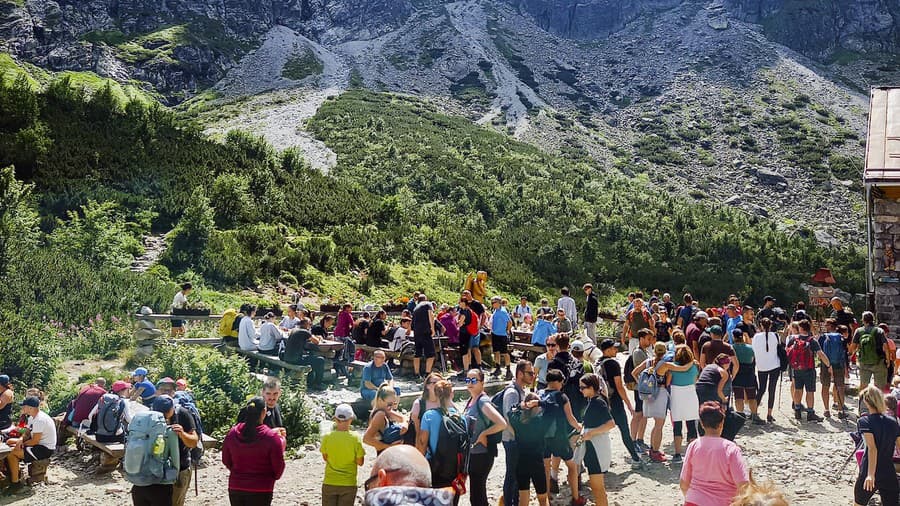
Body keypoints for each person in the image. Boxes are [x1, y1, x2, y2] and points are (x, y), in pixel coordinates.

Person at [680, 402, 749, 506]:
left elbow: (684, 483)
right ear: (722, 423)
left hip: (694, 501)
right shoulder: (731, 449)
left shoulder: (693, 446)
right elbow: (743, 485)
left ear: (702, 424)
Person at [222, 396, 286, 506]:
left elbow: (226, 460)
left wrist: (238, 471)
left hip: (236, 487)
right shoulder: (271, 438)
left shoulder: (232, 433)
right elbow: (278, 469)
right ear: (264, 412)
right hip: (261, 489)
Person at [596, 339, 643, 469]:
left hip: (601, 402)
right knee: (624, 430)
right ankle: (635, 458)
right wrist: (629, 405)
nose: (616, 350)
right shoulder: (613, 364)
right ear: (607, 349)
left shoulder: (597, 362)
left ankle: (601, 461)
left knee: (601, 433)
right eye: (614, 348)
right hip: (615, 401)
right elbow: (619, 387)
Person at [463, 368, 507, 506]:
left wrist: (484, 434)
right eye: (468, 380)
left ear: (482, 382)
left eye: (474, 380)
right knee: (476, 493)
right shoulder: (472, 399)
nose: (470, 383)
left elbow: (501, 423)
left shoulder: (482, 402)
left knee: (478, 494)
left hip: (482, 454)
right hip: (473, 453)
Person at [540, 369, 582, 502]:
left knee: (546, 470)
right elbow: (570, 418)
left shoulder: (539, 395)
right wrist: (579, 427)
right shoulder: (562, 396)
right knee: (572, 466)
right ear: (558, 382)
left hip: (542, 437)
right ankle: (576, 498)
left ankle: (547, 499)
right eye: (562, 382)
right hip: (559, 438)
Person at [854, 386, 900, 506]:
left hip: (869, 471)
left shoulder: (864, 422)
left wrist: (870, 475)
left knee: (859, 503)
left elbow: (872, 449)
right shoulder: (893, 422)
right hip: (888, 471)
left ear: (866, 401)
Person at [576, 373, 617, 506]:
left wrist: (591, 433)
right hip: (592, 447)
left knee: (598, 488)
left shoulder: (598, 402)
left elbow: (611, 424)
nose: (581, 390)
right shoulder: (593, 401)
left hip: (596, 448)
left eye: (583, 388)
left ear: (592, 387)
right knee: (597, 487)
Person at [151, 395, 199, 506]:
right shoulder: (151, 417)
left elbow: (194, 442)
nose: (163, 416)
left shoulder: (183, 414)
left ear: (173, 408)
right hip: (155, 469)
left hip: (180, 469)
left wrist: (182, 434)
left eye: (166, 413)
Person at [4, 396, 57, 494]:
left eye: (24, 406)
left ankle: (15, 483)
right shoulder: (33, 417)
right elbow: (27, 433)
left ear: (30, 408)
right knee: (9, 442)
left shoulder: (39, 420)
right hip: (37, 444)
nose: (22, 408)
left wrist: (21, 445)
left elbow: (34, 441)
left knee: (11, 453)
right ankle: (12, 471)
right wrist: (20, 440)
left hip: (44, 449)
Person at [632, 342, 675, 463]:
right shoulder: (666, 364)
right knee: (659, 425)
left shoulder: (648, 362)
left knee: (654, 423)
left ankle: (653, 448)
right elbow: (667, 382)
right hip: (660, 393)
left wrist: (642, 384)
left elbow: (634, 372)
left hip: (648, 394)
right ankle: (655, 450)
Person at [416, 380, 462, 491]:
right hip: (455, 468)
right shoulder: (460, 417)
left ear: (436, 394)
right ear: (452, 394)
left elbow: (422, 444)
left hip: (434, 466)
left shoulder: (429, 416)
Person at [501, 360, 535, 506]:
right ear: (520, 373)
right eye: (530, 373)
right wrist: (518, 437)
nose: (533, 376)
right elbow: (508, 419)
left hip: (515, 439)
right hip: (511, 440)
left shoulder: (520, 390)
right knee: (512, 476)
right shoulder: (512, 392)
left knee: (516, 475)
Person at [318, 403, 363, 506]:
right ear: (351, 419)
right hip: (349, 483)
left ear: (335, 419)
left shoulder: (327, 437)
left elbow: (325, 458)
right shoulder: (356, 438)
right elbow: (360, 462)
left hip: (329, 482)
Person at [509, 392, 548, 506]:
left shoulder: (517, 421)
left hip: (521, 462)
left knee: (523, 498)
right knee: (542, 498)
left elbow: (510, 411)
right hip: (537, 462)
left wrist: (521, 406)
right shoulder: (540, 421)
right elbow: (553, 408)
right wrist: (540, 403)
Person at [788, 319, 831, 422]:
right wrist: (828, 365)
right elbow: (820, 354)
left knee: (798, 389)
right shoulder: (812, 340)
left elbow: (788, 352)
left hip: (796, 369)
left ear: (801, 328)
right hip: (809, 369)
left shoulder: (793, 339)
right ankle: (810, 413)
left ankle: (797, 410)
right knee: (810, 391)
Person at [851, 311, 891, 392]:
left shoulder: (859, 331)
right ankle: (878, 403)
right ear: (873, 320)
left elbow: (853, 347)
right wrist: (888, 360)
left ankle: (862, 403)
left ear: (863, 320)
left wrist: (854, 356)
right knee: (880, 386)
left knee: (863, 385)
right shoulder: (879, 331)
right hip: (879, 362)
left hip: (864, 362)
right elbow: (886, 347)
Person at [751, 318, 781, 423]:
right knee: (771, 390)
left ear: (760, 325)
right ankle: (769, 414)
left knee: (761, 389)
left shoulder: (756, 337)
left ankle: (754, 412)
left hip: (761, 366)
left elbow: (753, 350)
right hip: (775, 365)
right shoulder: (776, 336)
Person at [364, 384, 409, 455]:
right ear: (380, 400)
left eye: (394, 404)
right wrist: (389, 447)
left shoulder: (385, 410)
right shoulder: (380, 415)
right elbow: (366, 439)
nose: (391, 407)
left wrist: (405, 424)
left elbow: (404, 418)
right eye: (389, 404)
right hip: (385, 454)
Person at [732, 329, 763, 424]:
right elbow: (753, 359)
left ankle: (740, 417)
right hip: (749, 373)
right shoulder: (750, 348)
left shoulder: (731, 348)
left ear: (734, 337)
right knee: (752, 397)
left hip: (737, 374)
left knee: (738, 397)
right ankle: (754, 415)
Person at [818, 318, 848, 419]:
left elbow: (819, 352)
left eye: (826, 325)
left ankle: (826, 410)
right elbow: (844, 353)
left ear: (831, 326)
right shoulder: (841, 337)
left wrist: (827, 364)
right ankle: (840, 410)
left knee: (825, 386)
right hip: (839, 364)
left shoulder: (823, 337)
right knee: (840, 386)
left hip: (826, 364)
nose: (825, 327)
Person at [283, 318, 326, 389]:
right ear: (306, 324)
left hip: (287, 357)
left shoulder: (294, 330)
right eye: (309, 324)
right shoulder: (304, 331)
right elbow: (316, 342)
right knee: (320, 360)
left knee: (312, 358)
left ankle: (311, 381)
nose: (310, 325)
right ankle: (318, 383)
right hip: (295, 359)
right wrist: (318, 338)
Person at [407, 372, 442, 446]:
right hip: (423, 440)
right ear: (427, 386)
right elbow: (417, 432)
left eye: (441, 383)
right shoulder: (418, 404)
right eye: (435, 383)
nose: (438, 385)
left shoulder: (445, 402)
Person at [412, 294, 437, 378]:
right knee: (431, 354)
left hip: (417, 333)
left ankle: (416, 374)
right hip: (426, 332)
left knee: (417, 354)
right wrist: (432, 329)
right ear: (425, 299)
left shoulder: (415, 308)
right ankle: (427, 373)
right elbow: (431, 315)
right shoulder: (428, 304)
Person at [489, 296, 513, 381]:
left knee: (504, 352)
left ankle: (508, 370)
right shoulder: (495, 311)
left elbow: (510, 322)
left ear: (498, 303)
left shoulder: (503, 312)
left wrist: (507, 331)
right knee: (496, 352)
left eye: (493, 302)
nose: (492, 304)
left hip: (502, 335)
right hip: (495, 334)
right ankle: (498, 368)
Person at [456, 298, 479, 380]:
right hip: (468, 333)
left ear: (464, 303)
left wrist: (458, 322)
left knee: (464, 352)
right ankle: (468, 368)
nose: (459, 303)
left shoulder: (463, 311)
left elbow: (460, 323)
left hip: (464, 333)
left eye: (460, 302)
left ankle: (465, 370)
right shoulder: (469, 311)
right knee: (467, 350)